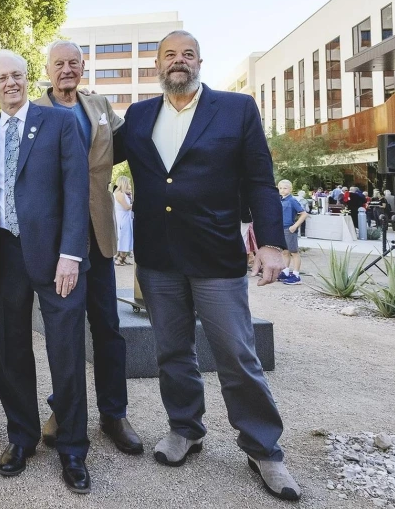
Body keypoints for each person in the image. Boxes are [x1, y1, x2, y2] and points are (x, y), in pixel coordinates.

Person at [118, 30, 300, 501]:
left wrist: (272, 245)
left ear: (200, 62)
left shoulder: (236, 109)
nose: (179, 62)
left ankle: (264, 448)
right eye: (170, 55)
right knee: (172, 352)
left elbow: (261, 181)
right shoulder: (138, 115)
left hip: (216, 256)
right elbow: (93, 153)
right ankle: (185, 429)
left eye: (188, 54)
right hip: (157, 258)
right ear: (157, 64)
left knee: (238, 355)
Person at [0, 49, 92, 494]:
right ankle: (22, 437)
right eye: (1, 78)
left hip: (55, 258)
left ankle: (71, 448)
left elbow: (76, 191)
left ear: (28, 78)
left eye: (17, 75)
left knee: (65, 352)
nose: (10, 83)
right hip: (5, 255)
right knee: (10, 352)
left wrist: (71, 253)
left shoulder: (60, 123)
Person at [35, 40, 143, 456]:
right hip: (55, 238)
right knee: (64, 334)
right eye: (59, 64)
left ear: (83, 67)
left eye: (73, 63)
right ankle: (63, 410)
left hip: (97, 234)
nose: (66, 70)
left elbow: (134, 149)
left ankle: (114, 414)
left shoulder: (99, 107)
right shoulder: (33, 111)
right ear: (48, 68)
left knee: (108, 328)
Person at [277, 181, 307, 285]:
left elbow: (303, 214)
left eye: (285, 188)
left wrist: (294, 226)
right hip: (281, 229)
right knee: (285, 252)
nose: (282, 190)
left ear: (290, 189)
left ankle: (296, 275)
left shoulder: (292, 201)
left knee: (294, 252)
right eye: (280, 188)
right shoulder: (280, 200)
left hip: (289, 229)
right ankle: (285, 271)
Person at [114, 177, 135, 265]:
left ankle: (124, 257)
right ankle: (120, 258)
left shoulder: (124, 193)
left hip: (126, 217)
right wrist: (134, 204)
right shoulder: (119, 194)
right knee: (123, 237)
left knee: (127, 237)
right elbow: (126, 207)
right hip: (122, 217)